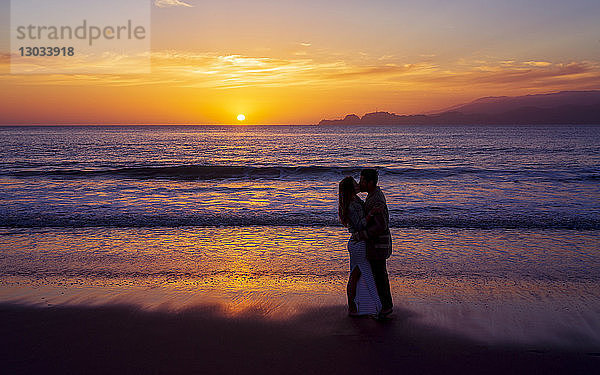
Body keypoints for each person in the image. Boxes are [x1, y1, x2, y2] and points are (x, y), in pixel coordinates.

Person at [338, 177, 382, 317]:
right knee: (359, 275)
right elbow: (360, 225)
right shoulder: (353, 204)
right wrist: (371, 213)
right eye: (355, 183)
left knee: (356, 275)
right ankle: (360, 307)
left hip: (355, 242)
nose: (358, 184)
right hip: (358, 244)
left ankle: (359, 306)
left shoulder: (352, 201)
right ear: (351, 188)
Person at [357, 169, 393, 317]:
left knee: (379, 275)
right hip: (378, 244)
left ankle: (386, 307)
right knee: (379, 274)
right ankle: (383, 305)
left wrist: (363, 234)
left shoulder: (376, 199)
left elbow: (380, 226)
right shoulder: (373, 196)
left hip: (378, 244)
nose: (360, 183)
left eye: (363, 180)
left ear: (370, 183)